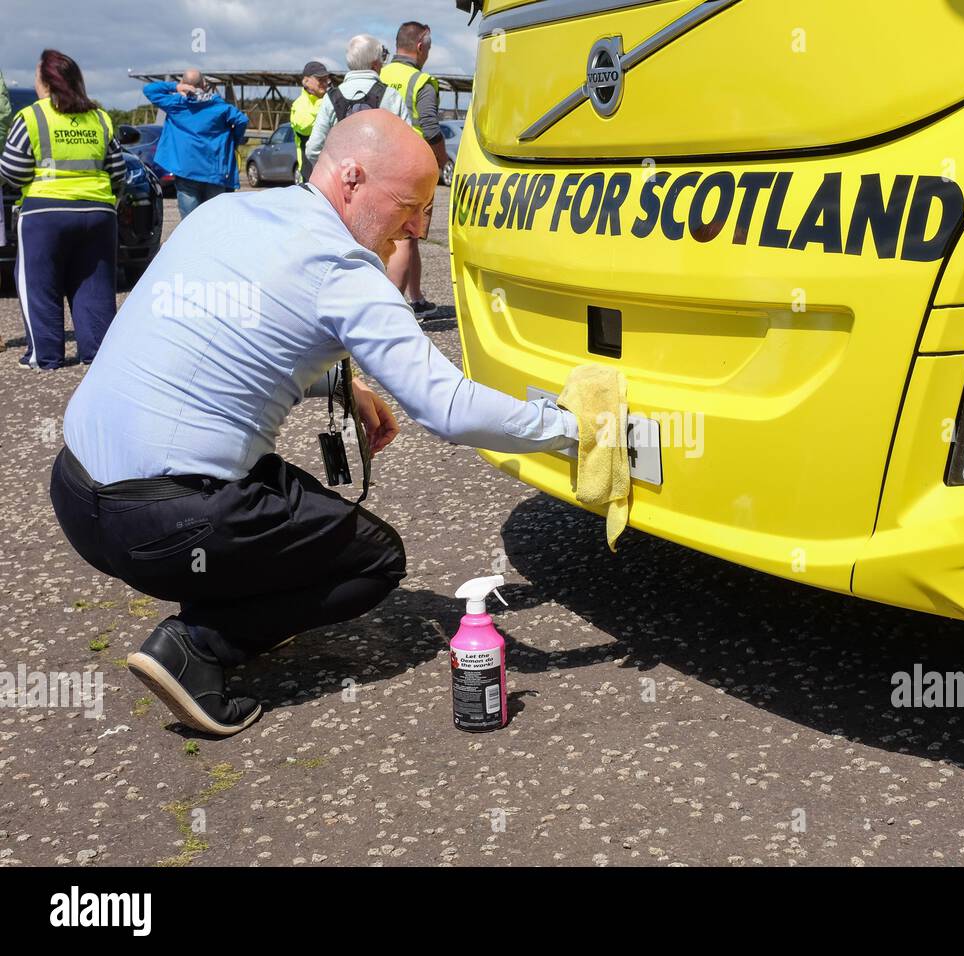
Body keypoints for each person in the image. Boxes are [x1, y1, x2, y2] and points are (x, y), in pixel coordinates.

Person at [49, 111, 579, 737]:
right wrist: (572, 426)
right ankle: (197, 646)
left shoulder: (225, 212)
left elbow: (221, 332)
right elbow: (449, 408)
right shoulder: (346, 271)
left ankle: (210, 602)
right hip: (165, 523)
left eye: (426, 210)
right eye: (408, 206)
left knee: (264, 487)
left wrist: (341, 382)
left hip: (76, 495)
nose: (415, 228)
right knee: (374, 560)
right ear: (351, 178)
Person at [0, 49, 125, 370]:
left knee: (39, 284)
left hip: (45, 214)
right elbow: (118, 172)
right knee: (95, 285)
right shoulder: (99, 117)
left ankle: (45, 356)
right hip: (98, 214)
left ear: (44, 82)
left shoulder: (32, 117)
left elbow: (12, 171)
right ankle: (97, 354)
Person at [381, 21, 451, 315]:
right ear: (420, 47)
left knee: (397, 236)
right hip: (412, 169)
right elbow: (431, 128)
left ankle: (417, 298)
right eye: (429, 49)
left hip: (380, 163)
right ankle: (393, 309)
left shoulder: (380, 74)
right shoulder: (421, 83)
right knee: (407, 237)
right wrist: (442, 159)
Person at [143, 70, 248, 219]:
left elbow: (149, 90)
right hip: (214, 172)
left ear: (185, 84)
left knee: (190, 221)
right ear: (204, 84)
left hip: (186, 170)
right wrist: (233, 142)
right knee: (216, 220)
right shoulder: (219, 106)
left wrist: (176, 87)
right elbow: (242, 121)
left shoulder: (176, 104)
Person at [304, 34, 411, 169]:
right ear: (375, 64)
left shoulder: (331, 98)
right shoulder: (391, 96)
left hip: (339, 183)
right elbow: (409, 147)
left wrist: (333, 172)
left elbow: (313, 149)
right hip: (380, 183)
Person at [290, 61, 331, 184]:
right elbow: (305, 127)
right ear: (306, 81)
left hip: (331, 170)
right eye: (320, 79)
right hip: (310, 173)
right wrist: (326, 105)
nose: (325, 83)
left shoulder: (329, 100)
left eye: (326, 79)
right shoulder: (299, 104)